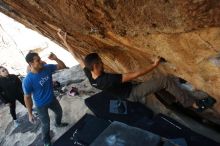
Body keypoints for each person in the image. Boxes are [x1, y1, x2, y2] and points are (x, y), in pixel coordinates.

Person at [57, 30, 214, 112]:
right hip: (132, 93)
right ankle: (194, 104)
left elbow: (76, 56)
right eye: (101, 62)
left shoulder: (89, 73)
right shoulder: (107, 80)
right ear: (96, 66)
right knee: (164, 81)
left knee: (158, 85)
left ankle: (174, 99)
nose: (103, 63)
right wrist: (154, 64)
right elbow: (136, 74)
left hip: (127, 91)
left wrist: (64, 40)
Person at [22, 52, 68, 146]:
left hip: (52, 99)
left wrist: (56, 58)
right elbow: (27, 98)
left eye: (40, 59)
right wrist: (30, 114)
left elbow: (63, 66)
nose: (41, 61)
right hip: (40, 105)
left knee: (59, 112)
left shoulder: (46, 68)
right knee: (46, 124)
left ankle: (58, 124)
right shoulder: (28, 80)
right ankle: (46, 141)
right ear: (31, 63)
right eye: (38, 60)